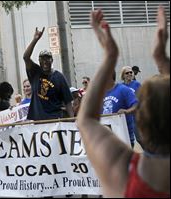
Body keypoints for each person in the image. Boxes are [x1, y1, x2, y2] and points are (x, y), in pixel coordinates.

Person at [77, 7, 169, 198]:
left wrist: (110, 56)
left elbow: (85, 120)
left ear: (142, 123)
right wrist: (162, 60)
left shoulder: (123, 171)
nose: (129, 74)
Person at [23, 28, 74, 120]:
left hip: (55, 120)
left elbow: (68, 101)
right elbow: (26, 57)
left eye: (47, 58)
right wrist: (35, 39)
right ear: (39, 61)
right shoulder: (35, 73)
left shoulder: (59, 77)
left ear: (52, 60)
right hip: (38, 121)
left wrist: (72, 120)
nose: (45, 61)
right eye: (42, 59)